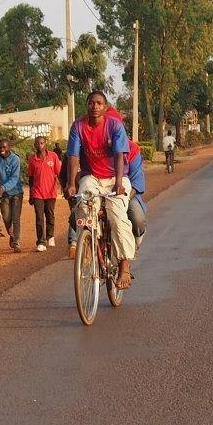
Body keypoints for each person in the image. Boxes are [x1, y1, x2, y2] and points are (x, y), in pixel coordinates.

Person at [66, 90, 136, 289]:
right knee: (84, 205)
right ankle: (89, 243)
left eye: (99, 103)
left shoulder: (114, 126)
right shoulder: (78, 126)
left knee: (117, 216)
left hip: (116, 177)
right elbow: (73, 157)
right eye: (91, 103)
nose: (94, 106)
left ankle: (124, 264)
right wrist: (71, 183)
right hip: (92, 177)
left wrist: (119, 183)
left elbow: (119, 155)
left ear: (105, 107)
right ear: (86, 105)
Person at [0, 139, 23, 252]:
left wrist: (3, 188)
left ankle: (16, 242)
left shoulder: (15, 160)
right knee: (6, 217)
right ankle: (12, 235)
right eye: (0, 148)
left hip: (16, 192)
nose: (2, 150)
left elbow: (14, 178)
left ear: (9, 147)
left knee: (15, 218)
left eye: (4, 147)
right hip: (4, 195)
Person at [27, 136, 61, 252]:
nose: (39, 145)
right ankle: (41, 242)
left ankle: (50, 235)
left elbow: (58, 173)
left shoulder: (53, 156)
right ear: (35, 145)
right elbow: (31, 178)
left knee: (50, 215)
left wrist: (62, 186)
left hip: (51, 192)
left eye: (41, 143)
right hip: (37, 193)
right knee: (39, 218)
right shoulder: (32, 159)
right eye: (37, 143)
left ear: (45, 144)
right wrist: (31, 194)